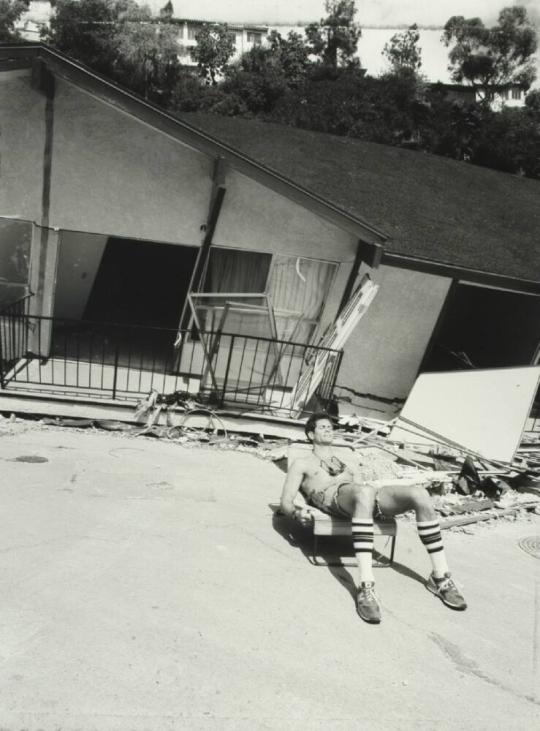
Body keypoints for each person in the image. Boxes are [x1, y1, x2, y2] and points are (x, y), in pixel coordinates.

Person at [279, 412, 467, 624]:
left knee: (419, 494)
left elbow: (363, 487)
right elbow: (285, 501)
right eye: (322, 427)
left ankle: (440, 576)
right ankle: (366, 586)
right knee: (364, 492)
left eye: (330, 426)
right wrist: (297, 512)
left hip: (364, 497)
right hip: (334, 498)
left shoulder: (345, 461)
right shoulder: (302, 463)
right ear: (311, 434)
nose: (328, 429)